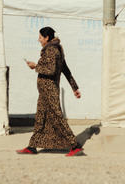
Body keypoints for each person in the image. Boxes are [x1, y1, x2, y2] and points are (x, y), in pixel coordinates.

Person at [16, 26, 84, 156]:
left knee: (57, 117)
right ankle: (32, 146)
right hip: (45, 91)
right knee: (40, 118)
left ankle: (74, 146)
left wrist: (35, 66)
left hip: (49, 90)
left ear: (47, 38)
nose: (39, 40)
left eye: (40, 37)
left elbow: (51, 70)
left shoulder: (52, 50)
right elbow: (65, 69)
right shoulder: (57, 49)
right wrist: (74, 87)